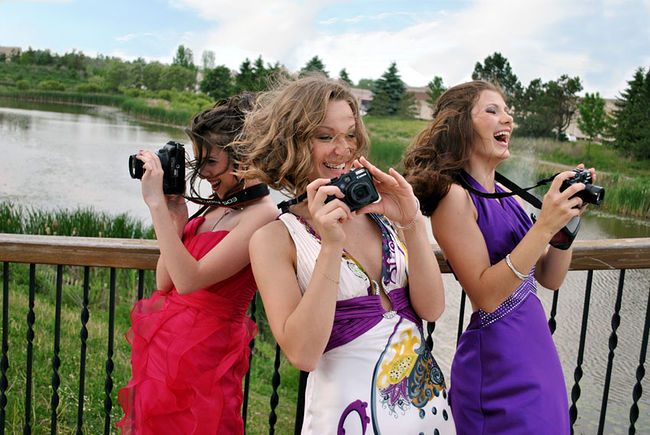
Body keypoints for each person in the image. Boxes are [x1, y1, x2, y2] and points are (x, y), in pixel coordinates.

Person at [239, 75, 456, 434]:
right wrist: (330, 244)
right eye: (325, 136)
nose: (342, 149)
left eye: (350, 134)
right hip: (349, 419)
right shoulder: (274, 239)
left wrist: (413, 220)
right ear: (292, 142)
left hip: (425, 411)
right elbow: (303, 354)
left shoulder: (381, 216)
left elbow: (431, 309)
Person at [402, 80, 596, 435]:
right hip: (498, 359)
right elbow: (486, 296)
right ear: (461, 125)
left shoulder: (506, 193)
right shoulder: (454, 198)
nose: (507, 119)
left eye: (507, 111)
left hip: (536, 352)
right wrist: (544, 225)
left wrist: (565, 222)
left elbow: (550, 277)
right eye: (492, 111)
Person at [116, 94, 279, 434]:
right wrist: (175, 218)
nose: (203, 175)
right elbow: (166, 282)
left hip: (207, 359)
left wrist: (155, 206)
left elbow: (190, 280)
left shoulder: (262, 214)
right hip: (165, 355)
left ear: (245, 154)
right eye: (199, 162)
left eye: (211, 162)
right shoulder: (214, 206)